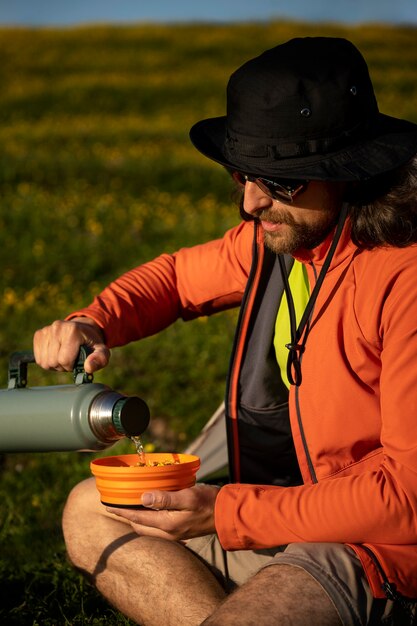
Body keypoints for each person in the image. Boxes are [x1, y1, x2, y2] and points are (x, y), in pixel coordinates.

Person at [33, 37, 417, 626]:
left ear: (352, 173)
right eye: (242, 173)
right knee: (91, 508)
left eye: (281, 182)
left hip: (375, 549)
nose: (251, 203)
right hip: (274, 514)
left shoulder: (403, 277)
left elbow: (406, 499)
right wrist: (94, 318)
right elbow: (177, 279)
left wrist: (229, 514)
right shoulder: (287, 239)